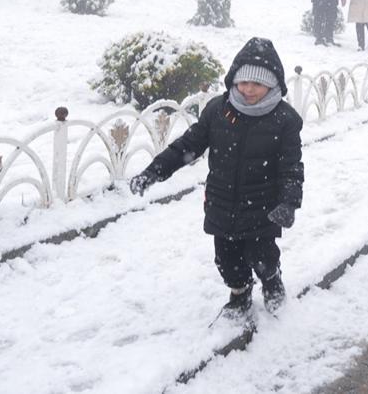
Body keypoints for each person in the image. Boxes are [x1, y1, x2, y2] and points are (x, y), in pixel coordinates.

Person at [128, 37, 304, 319]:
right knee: (227, 259)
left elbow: (291, 167)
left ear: (272, 86)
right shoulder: (218, 110)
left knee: (262, 257)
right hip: (222, 202)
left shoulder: (284, 120)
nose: (248, 89)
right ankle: (239, 294)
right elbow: (188, 145)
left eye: (256, 84)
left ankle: (272, 281)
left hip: (263, 207)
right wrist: (154, 172)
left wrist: (289, 203)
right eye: (242, 82)